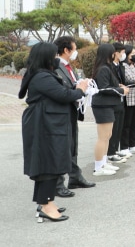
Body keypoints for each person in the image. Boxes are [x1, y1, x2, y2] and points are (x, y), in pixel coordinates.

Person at [21, 42, 89, 223]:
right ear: (45, 57)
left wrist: (75, 90)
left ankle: (45, 201)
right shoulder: (41, 77)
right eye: (53, 56)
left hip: (48, 123)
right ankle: (46, 205)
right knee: (48, 164)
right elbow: (63, 95)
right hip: (44, 125)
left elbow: (61, 92)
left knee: (49, 163)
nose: (55, 59)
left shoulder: (42, 74)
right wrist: (80, 89)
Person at [53, 36, 95, 196]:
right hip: (62, 111)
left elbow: (73, 83)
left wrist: (84, 84)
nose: (76, 52)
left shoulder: (69, 66)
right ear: (66, 50)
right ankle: (58, 183)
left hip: (72, 109)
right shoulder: (56, 67)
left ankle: (75, 177)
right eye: (74, 48)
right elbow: (63, 89)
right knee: (63, 147)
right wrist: (78, 88)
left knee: (72, 145)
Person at [91, 43, 130, 175]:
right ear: (110, 53)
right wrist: (120, 90)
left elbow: (108, 83)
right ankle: (98, 167)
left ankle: (104, 162)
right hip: (102, 105)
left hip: (108, 105)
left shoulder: (107, 68)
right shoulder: (103, 68)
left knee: (107, 136)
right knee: (103, 137)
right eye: (114, 52)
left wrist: (118, 85)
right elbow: (104, 88)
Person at [106, 42, 128, 164]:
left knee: (119, 126)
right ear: (115, 53)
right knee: (113, 129)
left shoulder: (120, 66)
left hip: (121, 98)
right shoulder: (109, 67)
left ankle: (115, 149)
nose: (123, 55)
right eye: (122, 53)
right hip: (113, 100)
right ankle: (110, 152)